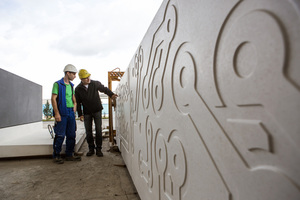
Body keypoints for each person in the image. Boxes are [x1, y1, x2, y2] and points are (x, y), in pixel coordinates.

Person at [75, 69, 118, 157]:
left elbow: (104, 89)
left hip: (97, 110)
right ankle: (91, 149)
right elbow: (78, 103)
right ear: (81, 79)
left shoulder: (95, 83)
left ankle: (99, 149)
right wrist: (80, 114)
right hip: (87, 112)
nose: (88, 79)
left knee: (98, 130)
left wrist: (111, 94)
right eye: (85, 78)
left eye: (88, 77)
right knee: (88, 132)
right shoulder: (78, 89)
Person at [51, 64, 81, 164]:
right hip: (62, 112)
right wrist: (57, 113)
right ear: (68, 73)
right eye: (73, 74)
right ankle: (57, 155)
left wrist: (75, 107)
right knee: (60, 134)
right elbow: (53, 99)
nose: (75, 76)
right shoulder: (58, 84)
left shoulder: (72, 86)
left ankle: (69, 154)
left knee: (71, 134)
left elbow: (74, 99)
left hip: (70, 113)